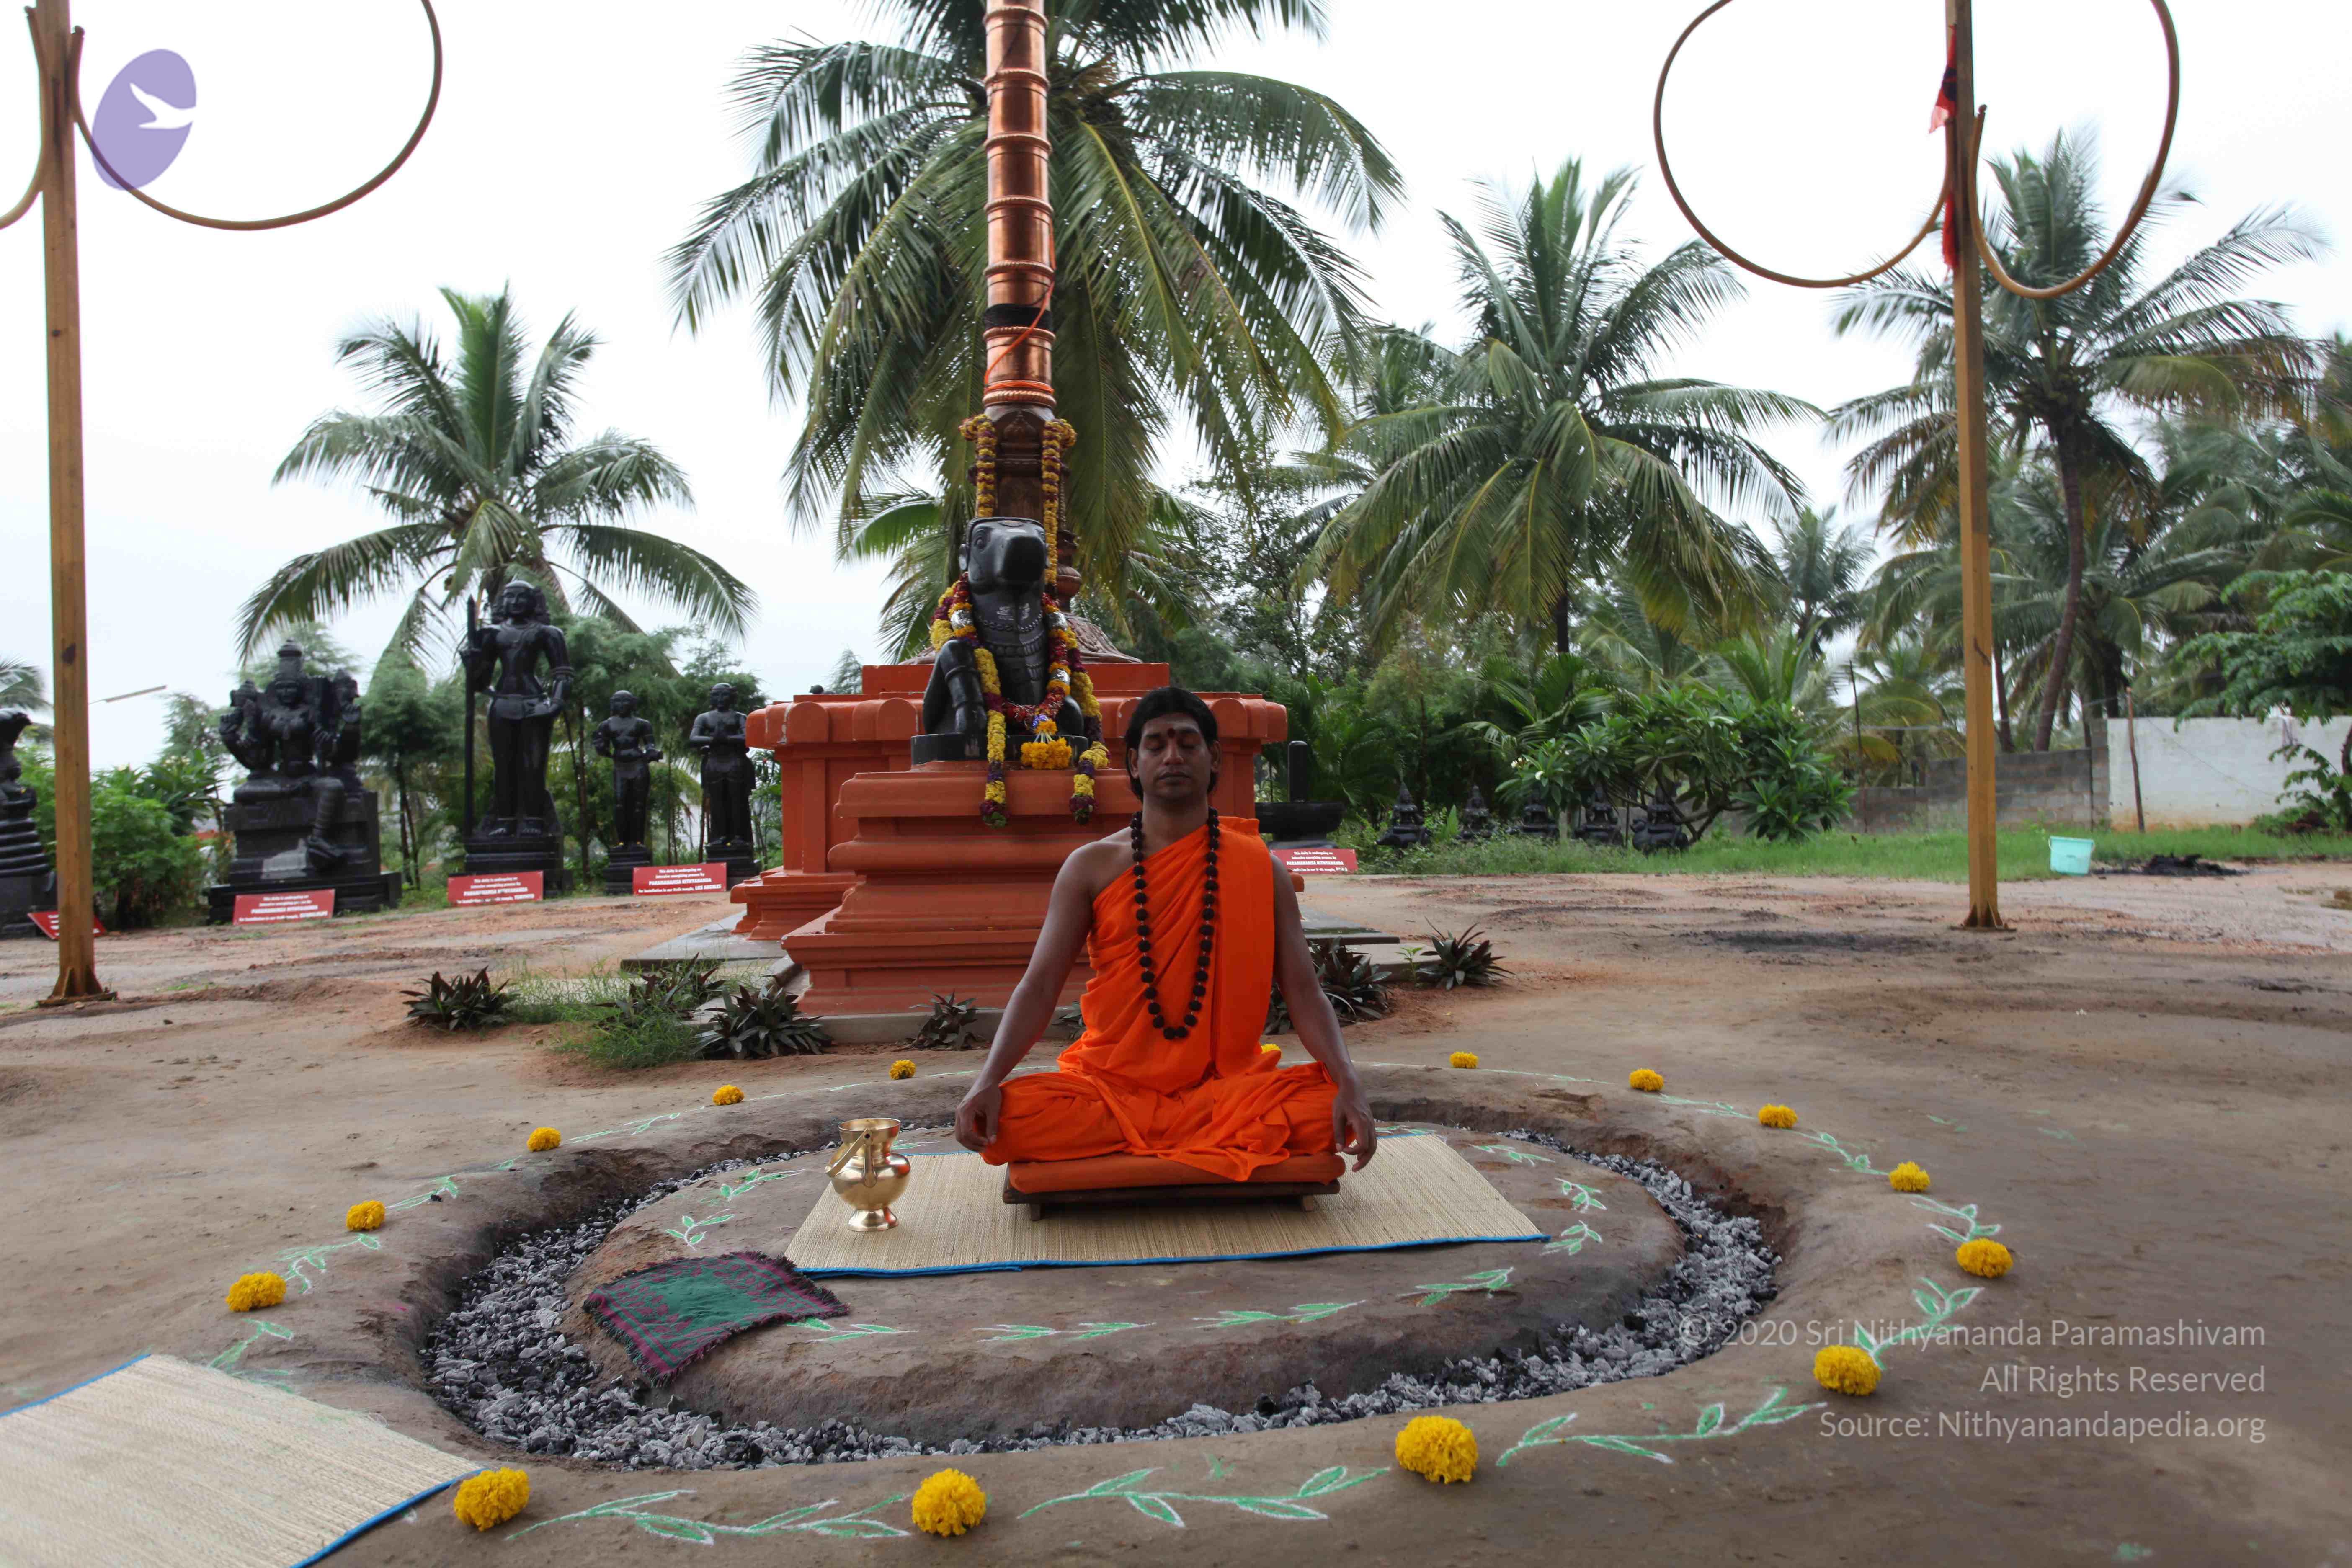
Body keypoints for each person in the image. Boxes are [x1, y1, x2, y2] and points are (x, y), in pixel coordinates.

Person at [954, 686, 1377, 1181]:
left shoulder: (1260, 868)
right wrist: (986, 1081)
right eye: (1156, 745)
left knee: (1324, 1105)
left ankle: (1151, 1146)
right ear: (1135, 764)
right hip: (1112, 1088)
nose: (1173, 756)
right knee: (1012, 1117)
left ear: (1213, 758)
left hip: (1226, 1090)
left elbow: (1303, 990)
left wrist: (1349, 1080)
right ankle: (1201, 1144)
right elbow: (1041, 985)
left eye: (1187, 743)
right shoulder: (1091, 867)